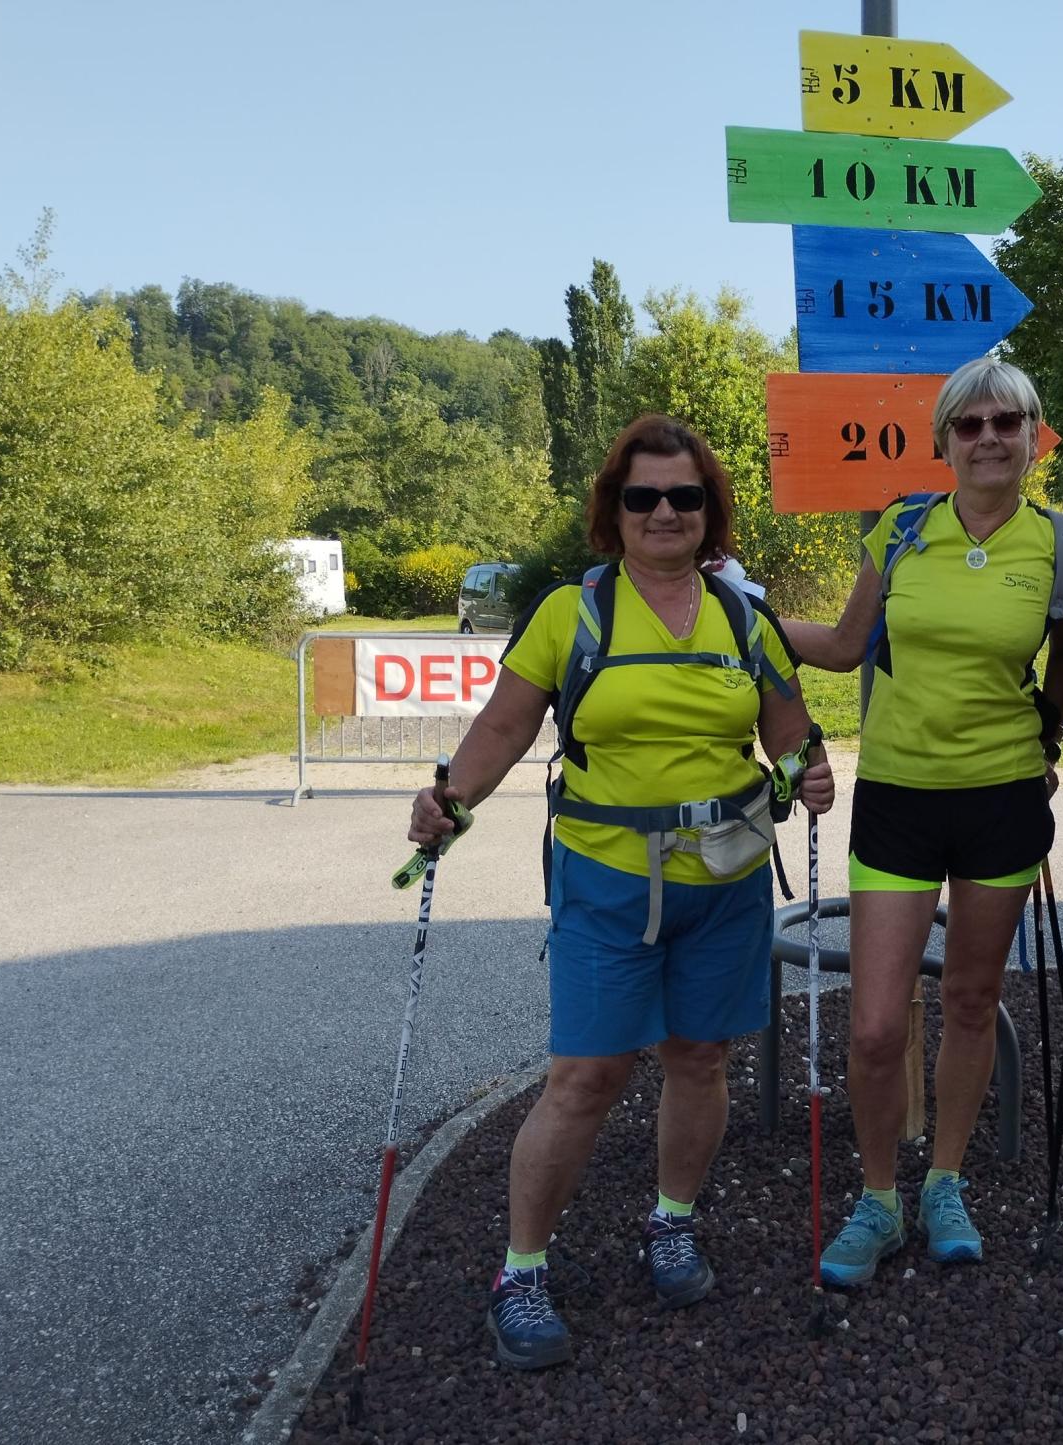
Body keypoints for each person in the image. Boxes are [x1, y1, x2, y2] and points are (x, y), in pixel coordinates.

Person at [407, 414, 834, 1368]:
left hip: (724, 877)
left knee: (700, 1059)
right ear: (615, 508)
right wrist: (449, 798)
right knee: (586, 1077)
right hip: (606, 880)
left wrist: (811, 770)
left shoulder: (743, 618)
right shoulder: (573, 611)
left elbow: (792, 734)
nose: (665, 512)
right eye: (643, 496)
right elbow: (502, 727)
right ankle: (521, 1269)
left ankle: (671, 1221)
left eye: (685, 496)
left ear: (709, 510)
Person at [782, 356, 1063, 1286]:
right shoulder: (903, 530)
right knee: (875, 1024)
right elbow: (840, 645)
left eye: (1010, 421)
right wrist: (737, 611)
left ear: (1035, 435)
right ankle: (878, 1200)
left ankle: (944, 1181)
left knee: (967, 999)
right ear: (945, 438)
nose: (991, 436)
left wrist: (1058, 736)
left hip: (1001, 799)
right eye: (971, 423)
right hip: (901, 797)